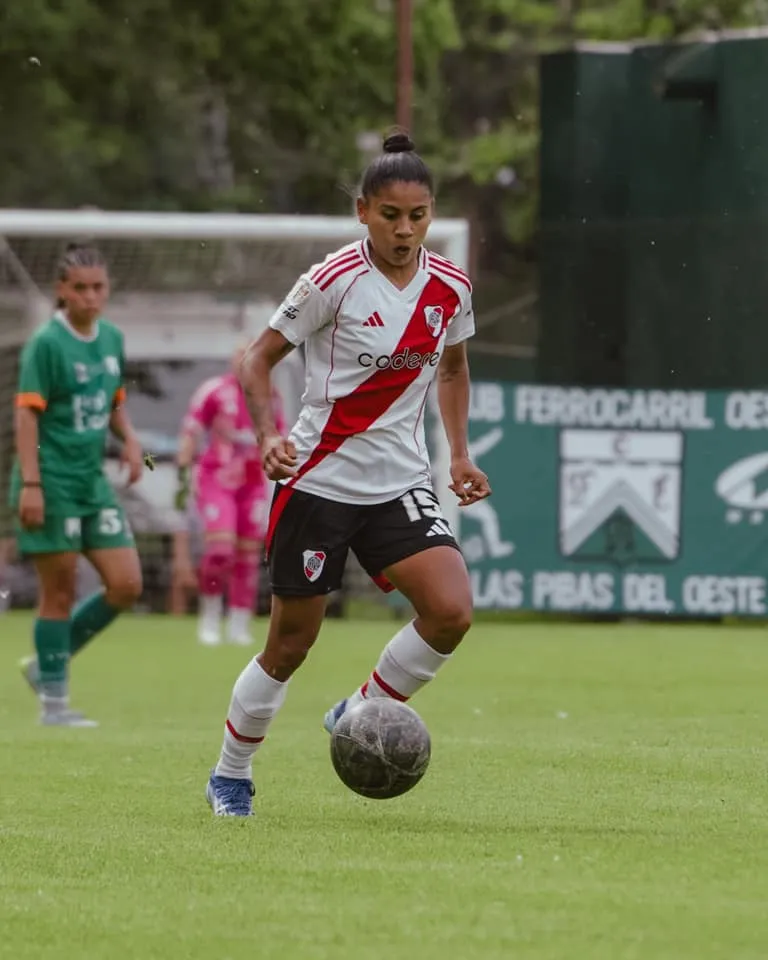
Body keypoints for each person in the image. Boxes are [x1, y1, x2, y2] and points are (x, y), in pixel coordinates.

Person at [204, 132, 492, 816]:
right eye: (390, 214)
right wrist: (270, 435)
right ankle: (231, 774)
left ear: (430, 214)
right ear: (363, 211)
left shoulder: (449, 287)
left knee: (450, 612)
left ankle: (363, 710)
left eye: (417, 215)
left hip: (399, 482)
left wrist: (458, 453)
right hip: (318, 483)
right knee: (290, 645)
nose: (405, 229)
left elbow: (452, 368)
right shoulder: (331, 281)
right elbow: (257, 361)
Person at [12, 241, 145, 727]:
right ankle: (55, 706)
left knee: (127, 584)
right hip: (50, 481)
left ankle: (47, 664)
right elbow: (26, 414)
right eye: (81, 288)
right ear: (62, 291)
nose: (91, 297)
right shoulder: (46, 343)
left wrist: (129, 440)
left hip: (91, 483)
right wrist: (31, 484)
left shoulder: (110, 338)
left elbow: (112, 401)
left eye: (99, 287)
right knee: (60, 591)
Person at [175, 348, 286, 646]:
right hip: (218, 479)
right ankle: (210, 616)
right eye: (242, 356)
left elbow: (281, 434)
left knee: (248, 558)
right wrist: (183, 468)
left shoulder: (270, 395)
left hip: (252, 483)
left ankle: (239, 623)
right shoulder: (214, 391)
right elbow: (191, 428)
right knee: (220, 552)